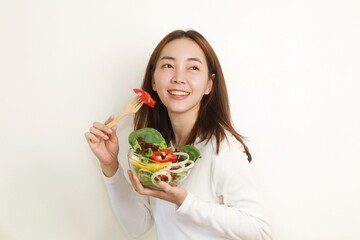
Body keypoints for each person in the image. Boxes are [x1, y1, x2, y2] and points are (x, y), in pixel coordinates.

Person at [85, 29, 273, 240]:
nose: (178, 78)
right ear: (153, 81)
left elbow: (260, 231)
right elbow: (137, 226)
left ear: (209, 84)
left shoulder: (222, 148)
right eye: (168, 66)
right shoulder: (160, 151)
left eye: (193, 67)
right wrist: (110, 166)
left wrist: (185, 202)